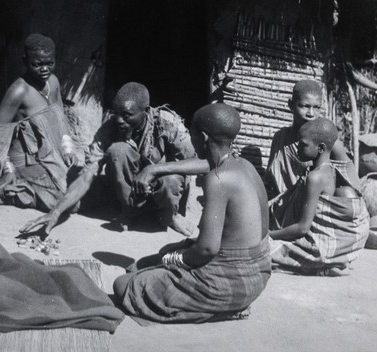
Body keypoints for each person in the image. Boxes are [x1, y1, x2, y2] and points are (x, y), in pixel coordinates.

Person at [113, 103, 271, 323]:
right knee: (143, 264)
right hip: (257, 273)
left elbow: (206, 249)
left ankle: (220, 310)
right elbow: (207, 163)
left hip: (229, 282)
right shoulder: (242, 164)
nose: (190, 139)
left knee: (123, 285)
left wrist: (169, 260)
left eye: (192, 134)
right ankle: (210, 300)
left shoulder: (218, 181)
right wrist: (154, 169)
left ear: (203, 138)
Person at [20, 82, 196, 236]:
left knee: (170, 179)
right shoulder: (110, 128)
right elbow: (87, 174)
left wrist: (154, 169)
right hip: (134, 191)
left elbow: (198, 163)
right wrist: (56, 212)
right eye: (116, 113)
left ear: (146, 111)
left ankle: (170, 216)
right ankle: (129, 211)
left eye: (127, 115)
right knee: (117, 151)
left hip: (164, 188)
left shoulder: (168, 123)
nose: (119, 120)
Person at [0, 33, 77, 211]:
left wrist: (67, 148)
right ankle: (12, 192)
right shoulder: (19, 90)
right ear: (25, 61)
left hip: (50, 155)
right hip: (24, 161)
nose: (44, 69)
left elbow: (60, 117)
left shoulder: (54, 82)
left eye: (49, 63)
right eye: (37, 64)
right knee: (63, 202)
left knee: (80, 188)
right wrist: (7, 169)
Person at [269, 118, 369, 276]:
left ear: (321, 148)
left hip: (317, 245)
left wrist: (268, 235)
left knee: (262, 252)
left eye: (303, 145)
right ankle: (329, 264)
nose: (297, 149)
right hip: (324, 240)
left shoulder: (315, 178)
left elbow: (302, 228)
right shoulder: (331, 169)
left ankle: (321, 266)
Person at [266, 79, 360, 205]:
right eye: (305, 106)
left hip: (316, 208)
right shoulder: (280, 138)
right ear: (291, 105)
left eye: (316, 108)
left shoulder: (329, 140)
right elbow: (270, 180)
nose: (311, 114)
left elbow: (351, 183)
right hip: (284, 207)